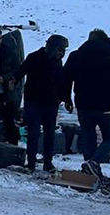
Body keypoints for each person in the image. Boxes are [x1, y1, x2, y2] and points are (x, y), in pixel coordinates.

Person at [63, 29, 110, 176]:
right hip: (107, 106)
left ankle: (89, 169)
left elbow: (65, 78)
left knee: (88, 136)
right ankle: (94, 162)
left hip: (83, 105)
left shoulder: (76, 56)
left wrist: (66, 98)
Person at [16, 34, 70, 172]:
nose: (61, 53)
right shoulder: (35, 57)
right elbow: (21, 71)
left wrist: (65, 99)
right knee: (33, 133)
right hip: (34, 102)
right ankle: (32, 162)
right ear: (51, 47)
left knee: (49, 134)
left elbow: (60, 82)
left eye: (63, 50)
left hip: (51, 103)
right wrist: (12, 81)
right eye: (60, 49)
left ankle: (48, 162)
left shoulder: (57, 62)